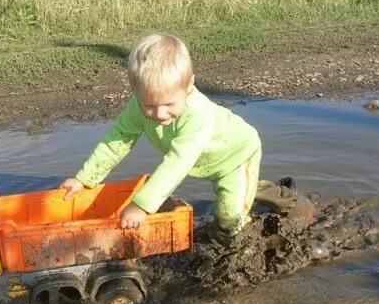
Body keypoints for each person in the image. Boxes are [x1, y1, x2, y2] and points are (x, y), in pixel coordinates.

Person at [60, 33, 305, 243]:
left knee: (229, 220)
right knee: (242, 191)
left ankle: (290, 204)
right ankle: (266, 192)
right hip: (206, 161)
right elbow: (117, 140)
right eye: (149, 106)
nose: (159, 114)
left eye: (169, 104)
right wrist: (84, 179)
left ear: (189, 85)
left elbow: (177, 164)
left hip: (235, 155)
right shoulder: (137, 107)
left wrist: (142, 205)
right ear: (135, 92)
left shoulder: (197, 115)